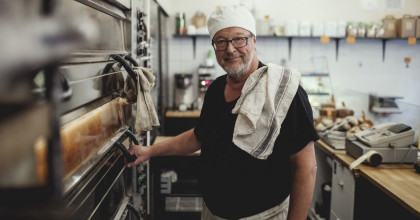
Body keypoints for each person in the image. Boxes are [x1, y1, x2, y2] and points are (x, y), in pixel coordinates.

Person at [128, 5, 319, 220]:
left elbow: (306, 168)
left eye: (239, 39)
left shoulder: (283, 92)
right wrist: (149, 151)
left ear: (254, 41)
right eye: (221, 41)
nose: (230, 49)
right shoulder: (216, 89)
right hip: (212, 213)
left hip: (264, 215)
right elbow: (198, 137)